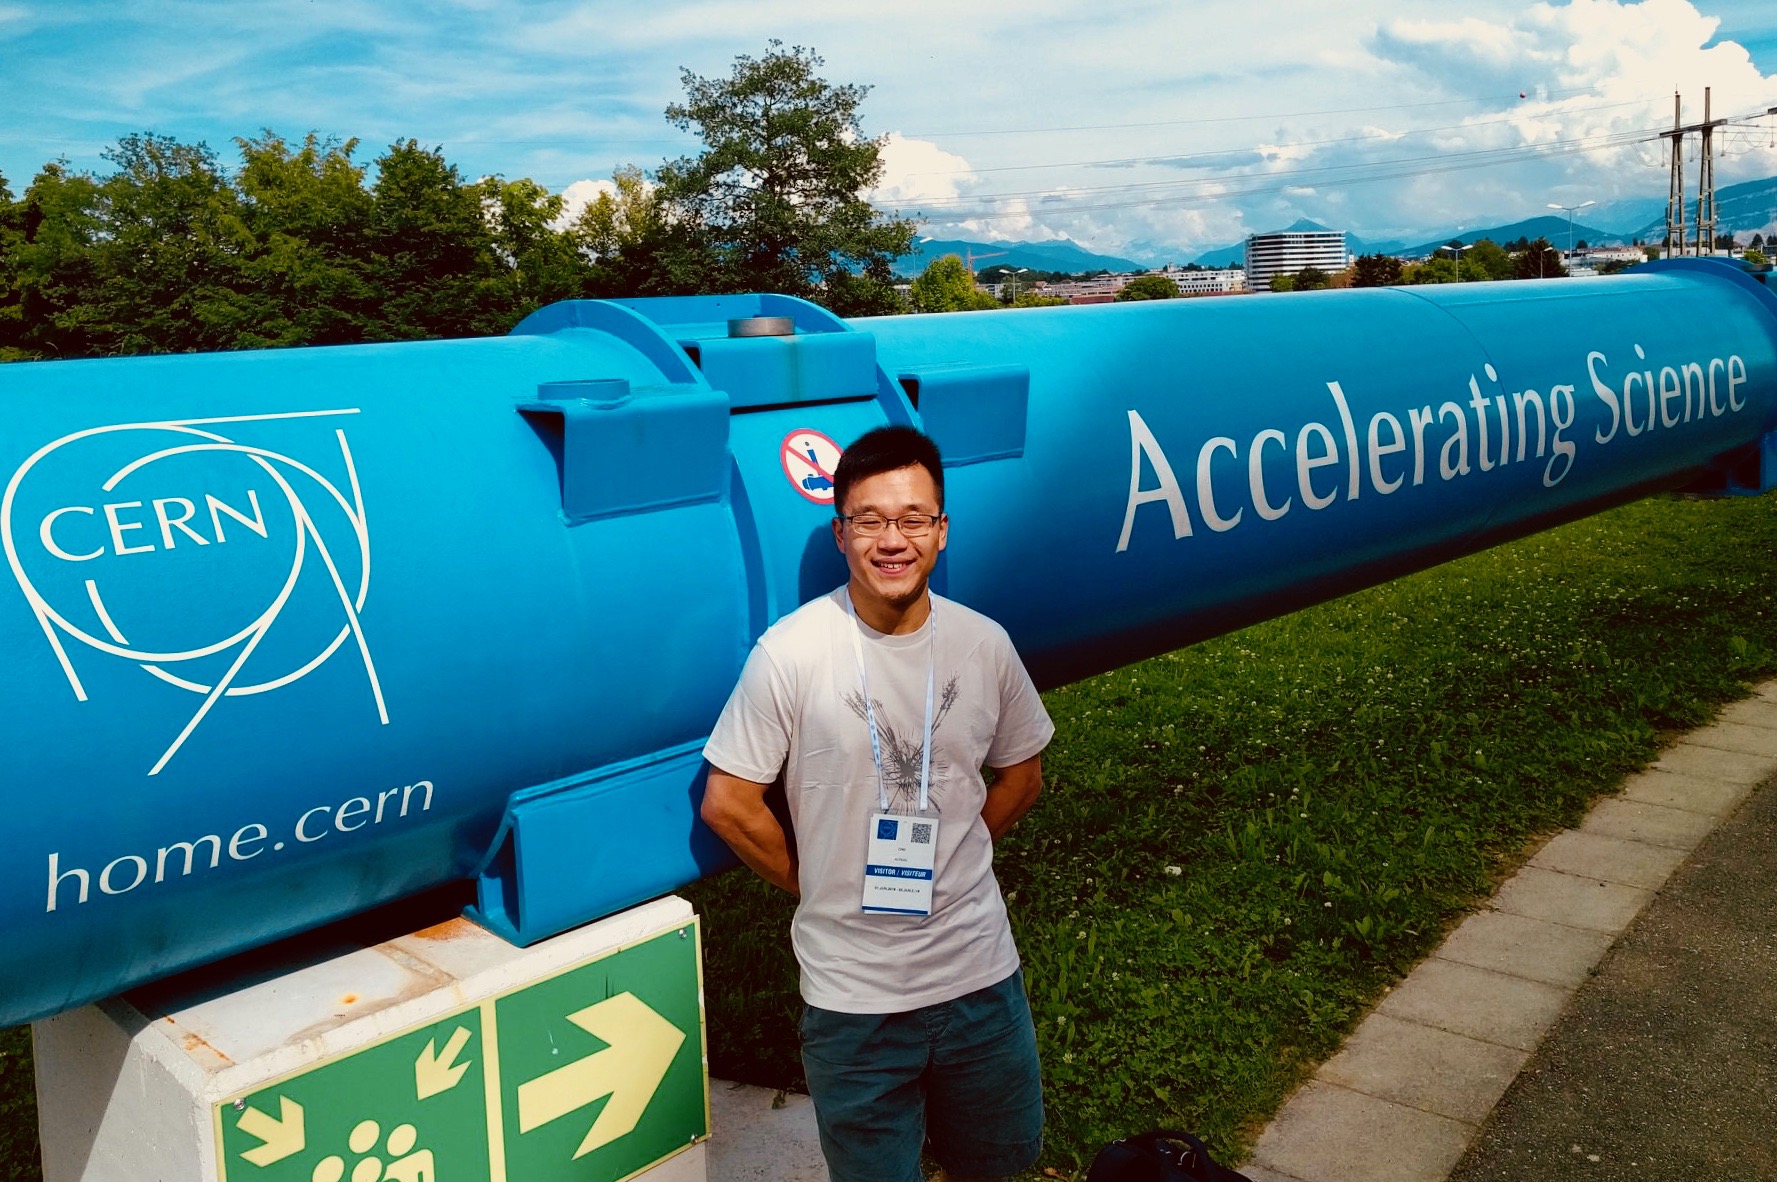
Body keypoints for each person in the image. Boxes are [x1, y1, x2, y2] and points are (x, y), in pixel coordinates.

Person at [701, 424, 1054, 1182]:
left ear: (940, 530)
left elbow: (1021, 776)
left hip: (980, 981)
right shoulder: (789, 654)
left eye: (912, 519)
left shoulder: (983, 645)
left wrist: (959, 852)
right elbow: (728, 803)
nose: (891, 540)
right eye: (869, 520)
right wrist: (817, 883)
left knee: (996, 1165)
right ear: (839, 533)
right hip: (853, 1001)